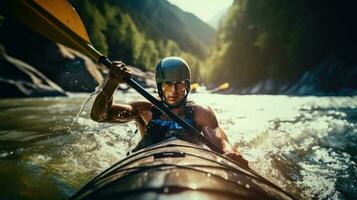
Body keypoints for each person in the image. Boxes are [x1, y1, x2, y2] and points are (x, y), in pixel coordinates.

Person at [90, 57, 248, 167]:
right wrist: (112, 82)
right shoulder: (144, 110)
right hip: (146, 164)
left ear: (187, 86)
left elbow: (221, 141)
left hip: (190, 166)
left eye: (179, 84)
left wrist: (231, 154)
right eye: (167, 85)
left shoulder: (201, 113)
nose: (173, 90)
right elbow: (99, 116)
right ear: (159, 86)